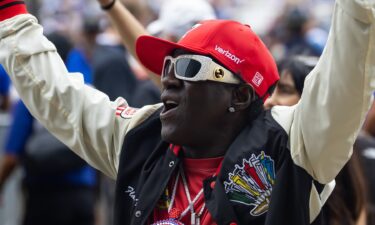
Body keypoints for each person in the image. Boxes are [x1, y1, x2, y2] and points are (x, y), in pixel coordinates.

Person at [0, 1, 374, 225]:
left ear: (241, 96)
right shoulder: (140, 138)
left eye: (189, 69)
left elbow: (348, 68)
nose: (168, 81)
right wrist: (10, 16)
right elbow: (59, 98)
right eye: (166, 68)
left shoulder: (293, 147)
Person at [265, 56, 368, 225]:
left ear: (313, 102)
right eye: (270, 90)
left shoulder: (343, 164)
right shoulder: (258, 150)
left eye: (285, 90)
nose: (270, 100)